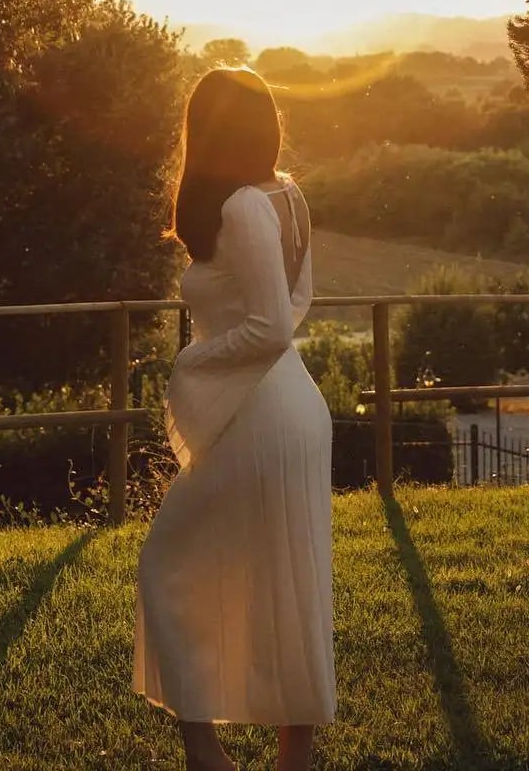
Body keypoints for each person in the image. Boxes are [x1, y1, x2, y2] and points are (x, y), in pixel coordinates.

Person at [134, 65, 335, 771]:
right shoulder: (290, 197)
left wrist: (194, 366)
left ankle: (205, 753)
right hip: (293, 407)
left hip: (259, 414)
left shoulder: (247, 206)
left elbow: (273, 326)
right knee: (287, 579)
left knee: (164, 564)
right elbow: (298, 302)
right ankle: (292, 758)